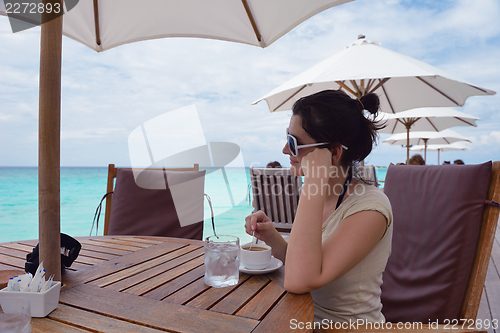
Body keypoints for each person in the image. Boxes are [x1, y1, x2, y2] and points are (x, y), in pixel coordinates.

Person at [244, 90, 393, 323]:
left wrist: (314, 179)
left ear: (332, 153)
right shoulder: (319, 195)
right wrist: (272, 237)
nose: (285, 150)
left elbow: (299, 280)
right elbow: (307, 265)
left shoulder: (370, 208)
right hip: (301, 320)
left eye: (294, 143)